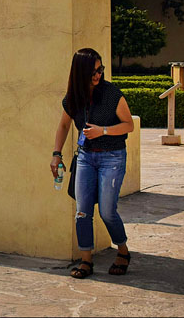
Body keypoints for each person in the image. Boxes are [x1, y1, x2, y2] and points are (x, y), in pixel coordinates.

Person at [51, 48, 135, 279]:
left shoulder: (111, 94)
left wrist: (103, 131)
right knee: (82, 212)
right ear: (80, 72)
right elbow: (64, 126)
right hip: (86, 158)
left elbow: (129, 125)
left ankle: (123, 251)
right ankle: (86, 260)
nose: (98, 75)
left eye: (100, 70)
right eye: (93, 71)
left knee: (108, 212)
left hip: (113, 157)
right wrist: (56, 154)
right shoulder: (73, 98)